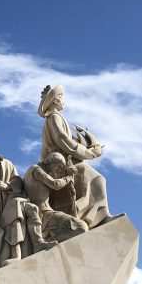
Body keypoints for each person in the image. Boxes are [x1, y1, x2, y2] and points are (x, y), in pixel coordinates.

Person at [38, 84, 114, 227]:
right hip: (60, 164)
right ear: (54, 101)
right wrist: (87, 153)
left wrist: (87, 146)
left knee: (95, 179)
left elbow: (68, 140)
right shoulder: (54, 117)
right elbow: (62, 140)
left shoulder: (57, 117)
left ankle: (93, 215)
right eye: (60, 97)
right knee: (97, 179)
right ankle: (98, 217)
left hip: (66, 161)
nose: (63, 101)